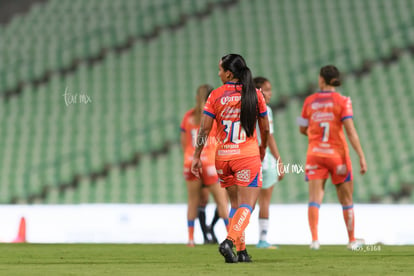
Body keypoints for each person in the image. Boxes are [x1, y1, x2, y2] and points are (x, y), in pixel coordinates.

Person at [191, 54, 270, 263]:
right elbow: (266, 127)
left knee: (235, 205)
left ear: (228, 73)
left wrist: (197, 155)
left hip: (222, 158)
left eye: (220, 70)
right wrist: (262, 148)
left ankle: (242, 252)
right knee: (248, 205)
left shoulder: (215, 96)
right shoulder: (255, 94)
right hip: (246, 156)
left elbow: (204, 129)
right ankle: (229, 241)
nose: (218, 74)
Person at [297, 65, 367, 250]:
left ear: (321, 79)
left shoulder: (309, 101)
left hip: (315, 155)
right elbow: (351, 131)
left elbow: (301, 127)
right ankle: (352, 241)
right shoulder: (343, 101)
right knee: (346, 200)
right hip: (337, 156)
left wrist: (314, 135)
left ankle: (314, 241)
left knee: (314, 198)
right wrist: (361, 156)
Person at [180, 84, 229, 247]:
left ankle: (191, 239)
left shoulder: (188, 117)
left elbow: (184, 142)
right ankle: (232, 237)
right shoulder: (214, 116)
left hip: (190, 162)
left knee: (193, 201)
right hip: (209, 161)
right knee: (222, 202)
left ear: (196, 97)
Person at [254, 77, 285, 249]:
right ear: (258, 91)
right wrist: (279, 161)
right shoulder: (266, 109)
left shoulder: (244, 109)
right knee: (264, 202)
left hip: (246, 159)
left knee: (244, 203)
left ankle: (235, 237)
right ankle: (262, 240)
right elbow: (269, 135)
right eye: (267, 89)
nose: (270, 93)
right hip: (264, 161)